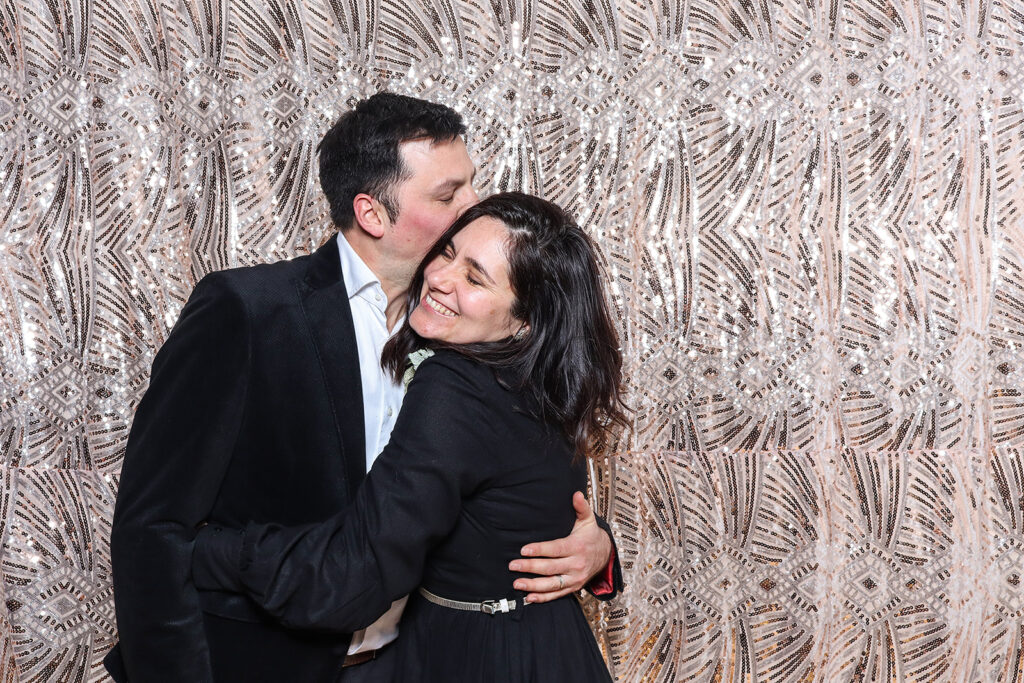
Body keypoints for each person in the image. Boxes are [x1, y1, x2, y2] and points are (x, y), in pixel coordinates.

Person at [105, 94, 620, 682]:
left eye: (471, 185)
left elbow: (514, 479)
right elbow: (154, 527)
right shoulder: (248, 313)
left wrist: (595, 550)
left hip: (418, 664)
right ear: (374, 214)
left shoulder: (472, 332)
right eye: (448, 195)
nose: (474, 206)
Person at [193, 192, 627, 682]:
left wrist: (205, 551)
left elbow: (355, 573)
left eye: (475, 277)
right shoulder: (543, 379)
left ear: (524, 322)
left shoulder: (455, 386)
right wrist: (601, 551)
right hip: (544, 648)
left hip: (476, 657)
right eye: (447, 252)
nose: (439, 277)